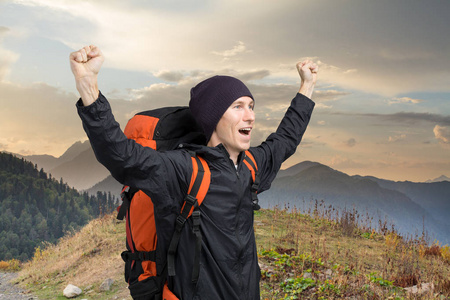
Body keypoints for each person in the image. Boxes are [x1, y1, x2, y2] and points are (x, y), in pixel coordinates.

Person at [70, 45, 317, 300]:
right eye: (238, 107)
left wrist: (306, 87)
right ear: (214, 118)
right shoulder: (184, 170)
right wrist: (88, 86)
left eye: (251, 106)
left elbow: (286, 140)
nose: (250, 116)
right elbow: (122, 156)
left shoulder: (251, 166)